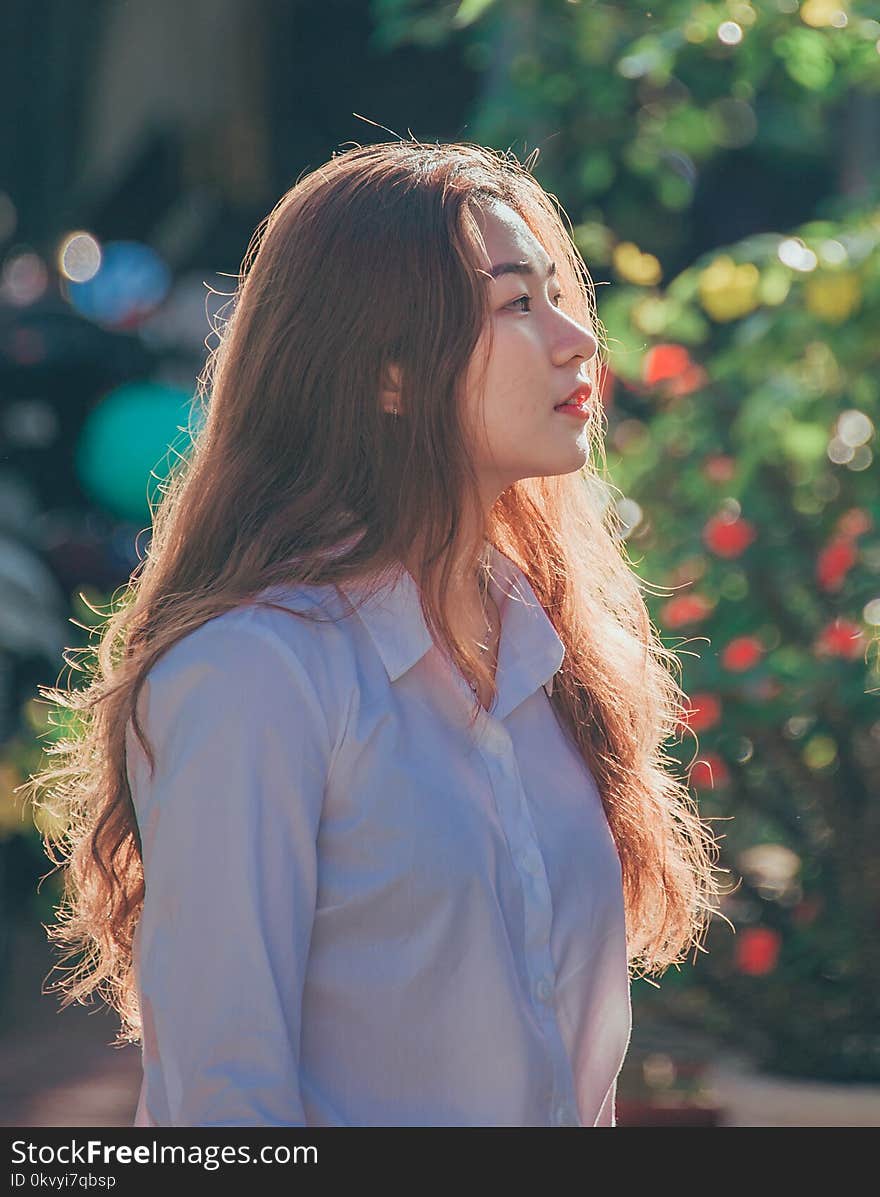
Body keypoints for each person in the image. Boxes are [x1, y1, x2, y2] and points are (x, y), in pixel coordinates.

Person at [27, 139, 722, 1127]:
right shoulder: (255, 676)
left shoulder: (546, 654)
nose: (577, 340)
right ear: (389, 375)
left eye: (560, 296)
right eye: (518, 304)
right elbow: (221, 1108)